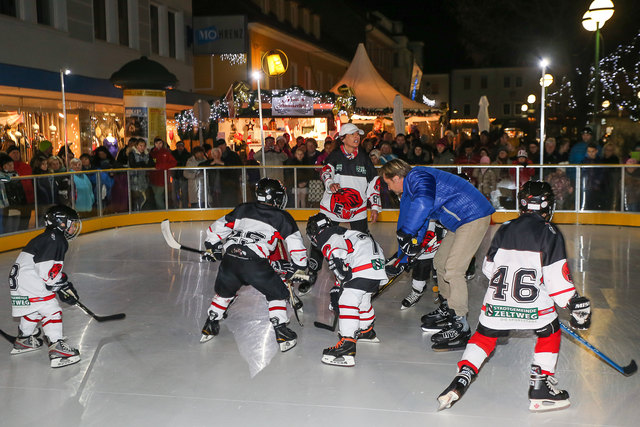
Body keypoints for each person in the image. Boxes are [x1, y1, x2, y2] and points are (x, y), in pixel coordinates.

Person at [437, 181, 591, 412]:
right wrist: (575, 308)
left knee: (484, 337)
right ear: (549, 206)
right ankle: (540, 386)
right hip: (533, 309)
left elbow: (489, 269)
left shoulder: (505, 228)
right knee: (550, 331)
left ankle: (463, 376)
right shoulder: (550, 233)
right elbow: (557, 282)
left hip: (496, 304)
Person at [379, 159, 494, 351]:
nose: (389, 188)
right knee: (440, 262)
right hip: (460, 221)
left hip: (473, 215)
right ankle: (448, 307)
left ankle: (460, 325)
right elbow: (418, 222)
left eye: (388, 183)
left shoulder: (418, 176)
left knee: (454, 270)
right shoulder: (411, 189)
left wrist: (407, 234)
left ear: (397, 177)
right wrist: (404, 257)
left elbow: (422, 206)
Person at [199, 179, 307, 352]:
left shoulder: (243, 208)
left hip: (230, 259)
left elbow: (216, 228)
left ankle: (210, 324)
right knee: (277, 293)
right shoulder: (282, 216)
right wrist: (299, 265)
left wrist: (213, 246)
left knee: (224, 292)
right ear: (277, 197)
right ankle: (282, 332)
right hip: (254, 264)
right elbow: (295, 243)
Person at [302, 123, 382, 295]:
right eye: (353, 134)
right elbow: (325, 171)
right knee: (319, 236)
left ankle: (362, 272)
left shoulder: (364, 158)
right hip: (332, 207)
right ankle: (311, 273)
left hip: (357, 209)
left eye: (358, 135)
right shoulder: (335, 156)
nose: (357, 137)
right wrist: (330, 183)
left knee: (363, 240)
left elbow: (373, 182)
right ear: (343, 138)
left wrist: (374, 206)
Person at [306, 213, 387, 367]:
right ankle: (366, 330)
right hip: (376, 268)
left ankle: (347, 346)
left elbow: (337, 260)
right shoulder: (347, 232)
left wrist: (339, 287)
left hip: (363, 267)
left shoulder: (327, 237)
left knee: (347, 301)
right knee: (362, 299)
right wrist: (339, 284)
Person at [8, 205, 83, 368]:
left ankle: (24, 339)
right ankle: (58, 349)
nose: (73, 227)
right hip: (29, 281)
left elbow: (43, 270)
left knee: (33, 308)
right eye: (71, 223)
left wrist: (61, 282)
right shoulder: (56, 240)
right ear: (61, 222)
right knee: (51, 308)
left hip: (22, 282)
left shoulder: (48, 237)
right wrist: (62, 285)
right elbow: (48, 274)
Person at [149, 137, 177, 209]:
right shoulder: (152, 153)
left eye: (160, 143)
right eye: (157, 143)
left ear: (162, 144)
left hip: (163, 178)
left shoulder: (166, 152)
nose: (158, 145)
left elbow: (174, 162)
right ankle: (160, 211)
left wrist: (162, 166)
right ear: (154, 144)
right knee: (157, 196)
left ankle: (162, 211)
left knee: (157, 196)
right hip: (153, 178)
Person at [171, 141, 191, 209]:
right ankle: (176, 206)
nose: (179, 147)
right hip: (175, 175)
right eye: (178, 146)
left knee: (184, 194)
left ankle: (184, 207)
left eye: (181, 146)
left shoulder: (187, 154)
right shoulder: (173, 153)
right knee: (174, 194)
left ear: (183, 146)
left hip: (184, 176)